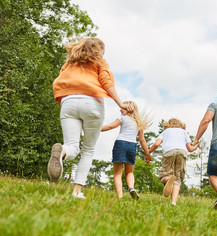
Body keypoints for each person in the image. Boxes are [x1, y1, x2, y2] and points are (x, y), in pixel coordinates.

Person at [48, 37, 133, 199]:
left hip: (69, 101)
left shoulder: (70, 63)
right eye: (103, 51)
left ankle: (62, 152)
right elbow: (106, 81)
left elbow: (59, 80)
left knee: (71, 145)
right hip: (92, 103)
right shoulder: (101, 63)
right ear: (98, 50)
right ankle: (76, 192)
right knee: (88, 150)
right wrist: (120, 103)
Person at [101, 101, 151, 199]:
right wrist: (148, 154)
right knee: (129, 172)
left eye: (123, 108)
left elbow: (110, 126)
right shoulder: (138, 122)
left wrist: (94, 129)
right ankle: (131, 188)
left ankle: (120, 196)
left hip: (120, 144)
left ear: (128, 109)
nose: (120, 109)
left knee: (117, 173)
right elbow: (142, 140)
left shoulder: (122, 118)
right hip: (132, 146)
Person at [149, 118, 199, 206]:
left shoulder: (165, 132)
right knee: (178, 179)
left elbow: (156, 144)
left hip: (169, 152)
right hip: (182, 153)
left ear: (167, 124)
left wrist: (148, 153)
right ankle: (173, 203)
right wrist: (195, 146)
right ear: (181, 124)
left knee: (164, 176)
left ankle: (168, 179)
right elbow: (190, 149)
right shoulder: (184, 132)